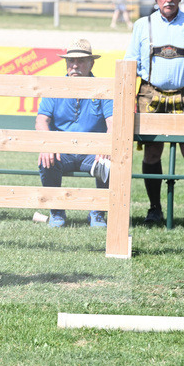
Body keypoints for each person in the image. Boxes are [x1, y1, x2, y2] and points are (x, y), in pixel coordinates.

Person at [126, 0, 184, 227]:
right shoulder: (142, 25)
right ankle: (154, 210)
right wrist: (131, 96)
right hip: (150, 94)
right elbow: (131, 62)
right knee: (152, 151)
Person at [36, 39, 114, 228]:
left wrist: (105, 146)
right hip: (63, 150)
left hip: (93, 151)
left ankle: (98, 212)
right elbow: (41, 120)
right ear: (66, 64)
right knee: (46, 158)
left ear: (91, 63)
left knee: (111, 162)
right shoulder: (55, 88)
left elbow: (113, 123)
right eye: (71, 61)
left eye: (81, 61)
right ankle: (56, 211)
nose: (75, 66)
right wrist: (48, 144)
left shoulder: (104, 88)